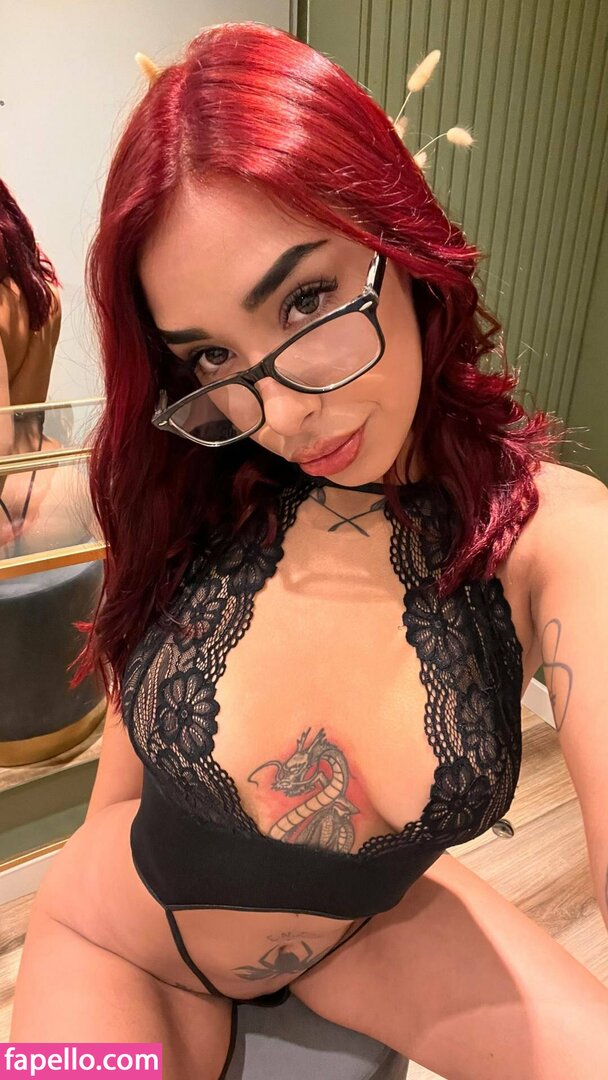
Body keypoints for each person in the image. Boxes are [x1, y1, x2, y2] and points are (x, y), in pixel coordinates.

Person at [10, 21, 608, 1079]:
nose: (280, 414)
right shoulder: (205, 494)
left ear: (398, 240)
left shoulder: (552, 535)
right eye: (211, 357)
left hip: (365, 932)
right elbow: (125, 784)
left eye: (306, 299)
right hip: (122, 941)